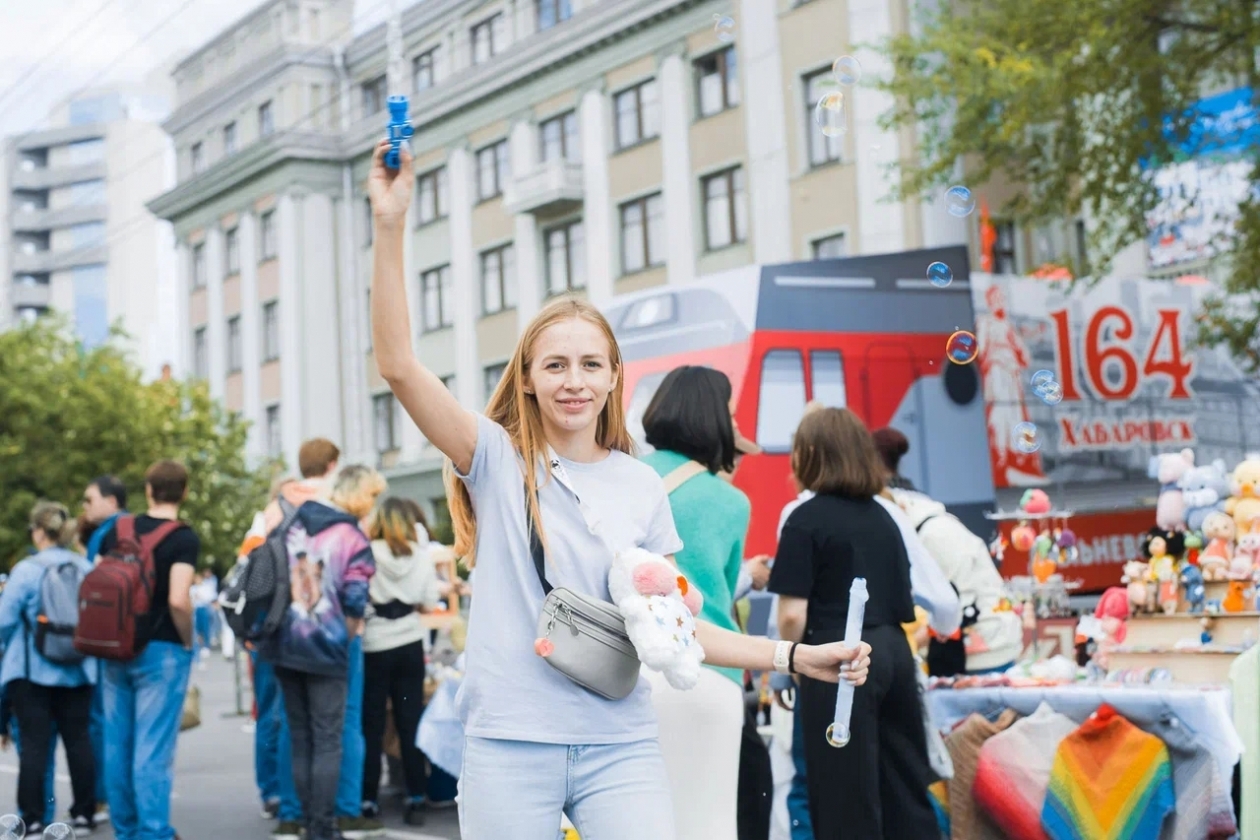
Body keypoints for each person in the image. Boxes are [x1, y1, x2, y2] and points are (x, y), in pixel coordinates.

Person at [366, 139, 871, 840]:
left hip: (621, 741)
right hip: (510, 743)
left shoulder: (641, 484)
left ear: (611, 377)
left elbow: (677, 627)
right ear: (530, 379)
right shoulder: (494, 458)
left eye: (589, 364)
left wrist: (792, 656)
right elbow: (396, 364)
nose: (573, 380)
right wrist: (389, 224)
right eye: (555, 365)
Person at [769, 408, 941, 839]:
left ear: (809, 454)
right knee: (904, 784)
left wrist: (790, 664)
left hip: (838, 658)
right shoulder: (885, 516)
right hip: (894, 652)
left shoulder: (804, 518)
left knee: (843, 793)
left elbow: (792, 614)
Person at [638, 366, 755, 840]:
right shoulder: (730, 502)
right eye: (729, 412)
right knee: (707, 823)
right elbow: (722, 596)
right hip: (709, 673)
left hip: (635, 670)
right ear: (711, 418)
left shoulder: (627, 477)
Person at [263, 465, 379, 840]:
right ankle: (322, 827)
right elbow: (356, 603)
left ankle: (303, 821)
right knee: (328, 737)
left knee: (299, 736)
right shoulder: (351, 536)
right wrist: (339, 641)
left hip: (286, 645)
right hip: (327, 648)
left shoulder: (288, 527)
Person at [98, 461, 199, 840]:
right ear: (184, 492)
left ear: (148, 489)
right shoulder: (183, 538)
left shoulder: (117, 531)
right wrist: (188, 638)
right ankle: (153, 832)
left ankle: (126, 830)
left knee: (117, 745)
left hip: (114, 646)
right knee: (152, 748)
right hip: (161, 649)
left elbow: (98, 580)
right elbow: (178, 599)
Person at [0, 501, 97, 834]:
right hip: (80, 668)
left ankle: (33, 816)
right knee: (79, 741)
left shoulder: (27, 570)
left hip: (32, 671)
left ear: (38, 532)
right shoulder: (83, 567)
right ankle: (84, 812)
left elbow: (4, 620)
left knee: (35, 745)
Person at [361, 497, 447, 826]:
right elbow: (428, 604)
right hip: (410, 644)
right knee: (409, 721)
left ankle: (368, 798)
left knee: (372, 724)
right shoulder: (420, 556)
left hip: (375, 644)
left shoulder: (367, 552)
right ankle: (415, 796)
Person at [81, 474, 127, 819]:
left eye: (89, 499)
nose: (84, 507)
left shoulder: (104, 534)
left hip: (106, 638)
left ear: (111, 500)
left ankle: (103, 797)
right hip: (137, 636)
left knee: (102, 721)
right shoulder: (132, 528)